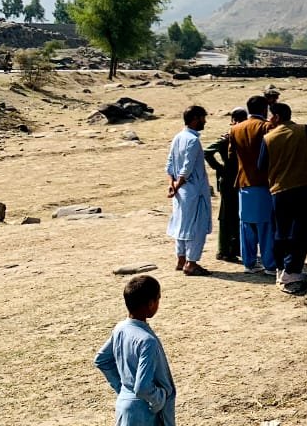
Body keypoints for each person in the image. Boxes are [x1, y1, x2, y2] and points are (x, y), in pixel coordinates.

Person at [95, 275, 176, 426]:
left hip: (124, 408)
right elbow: (142, 387)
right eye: (158, 298)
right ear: (151, 304)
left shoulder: (120, 329)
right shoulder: (147, 341)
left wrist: (123, 389)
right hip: (145, 414)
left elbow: (101, 360)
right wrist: (160, 397)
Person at [260, 102, 307, 293]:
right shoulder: (304, 130)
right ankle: (292, 271)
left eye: (270, 116)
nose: (269, 119)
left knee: (281, 231)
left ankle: (281, 269)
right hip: (304, 187)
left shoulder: (268, 138)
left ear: (277, 117)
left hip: (279, 190)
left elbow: (261, 166)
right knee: (300, 232)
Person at [231, 96, 276, 276]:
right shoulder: (266, 126)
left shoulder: (236, 128)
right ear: (265, 109)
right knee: (266, 226)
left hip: (244, 182)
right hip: (264, 182)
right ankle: (270, 264)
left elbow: (231, 155)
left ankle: (249, 263)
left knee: (246, 225)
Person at [164, 106, 212, 277]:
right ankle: (191, 263)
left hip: (181, 192)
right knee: (196, 227)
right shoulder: (192, 140)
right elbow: (186, 169)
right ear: (195, 119)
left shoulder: (178, 137)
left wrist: (172, 184)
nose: (205, 121)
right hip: (193, 191)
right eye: (203, 118)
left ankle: (181, 259)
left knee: (181, 225)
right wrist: (176, 185)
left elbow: (170, 164)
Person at [202, 107, 246, 264]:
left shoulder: (239, 135)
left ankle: (234, 248)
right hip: (229, 180)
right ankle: (224, 250)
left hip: (239, 179)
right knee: (227, 215)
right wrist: (219, 168)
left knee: (237, 215)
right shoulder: (227, 138)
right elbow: (207, 151)